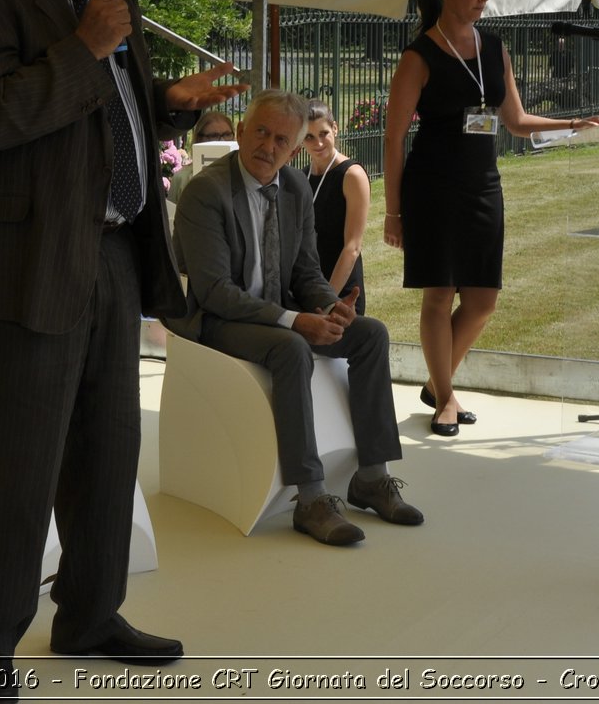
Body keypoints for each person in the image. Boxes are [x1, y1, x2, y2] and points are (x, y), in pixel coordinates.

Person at [0, 0, 245, 701]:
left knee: (110, 449)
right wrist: (86, 49)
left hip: (111, 250)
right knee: (14, 467)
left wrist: (168, 104)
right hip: (25, 261)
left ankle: (90, 614)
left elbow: (109, 110)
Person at [169, 90, 423, 546]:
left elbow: (306, 270)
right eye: (261, 132)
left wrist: (329, 306)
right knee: (289, 347)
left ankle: (371, 476)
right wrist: (294, 320)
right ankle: (310, 498)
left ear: (296, 147)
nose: (268, 146)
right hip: (215, 319)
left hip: (275, 308)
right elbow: (213, 292)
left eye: (282, 139)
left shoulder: (296, 187)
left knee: (370, 334)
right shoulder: (204, 193)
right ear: (241, 132)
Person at [382, 0, 599, 436]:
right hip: (433, 188)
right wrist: (393, 212)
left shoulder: (495, 47)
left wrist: (572, 122)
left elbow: (517, 121)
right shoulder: (420, 56)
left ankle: (438, 382)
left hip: (484, 187)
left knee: (483, 302)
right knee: (439, 295)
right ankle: (445, 397)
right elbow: (393, 137)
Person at [302, 100, 370, 312]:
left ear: (335, 128)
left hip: (340, 294)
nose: (318, 143)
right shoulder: (301, 177)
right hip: (307, 292)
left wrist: (327, 301)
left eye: (323, 134)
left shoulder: (352, 175)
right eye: (309, 137)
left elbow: (352, 247)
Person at [168, 109, 235, 200]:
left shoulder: (244, 175)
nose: (222, 140)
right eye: (214, 136)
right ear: (199, 139)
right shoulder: (181, 178)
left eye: (227, 135)